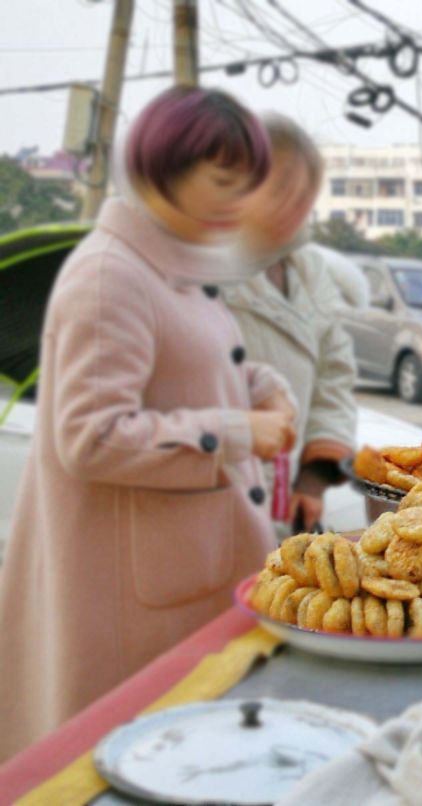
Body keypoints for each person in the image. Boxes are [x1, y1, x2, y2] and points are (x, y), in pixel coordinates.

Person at [0, 87, 294, 762]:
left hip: (182, 575)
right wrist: (242, 432)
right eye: (223, 182)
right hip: (132, 605)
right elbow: (93, 436)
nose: (238, 204)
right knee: (124, 761)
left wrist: (265, 390)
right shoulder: (110, 277)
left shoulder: (173, 273)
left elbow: (197, 370)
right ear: (162, 172)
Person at [224, 114, 358, 535]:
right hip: (215, 487)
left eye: (304, 192)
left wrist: (314, 479)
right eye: (280, 187)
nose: (293, 203)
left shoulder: (310, 269)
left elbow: (333, 376)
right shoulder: (200, 269)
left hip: (284, 491)